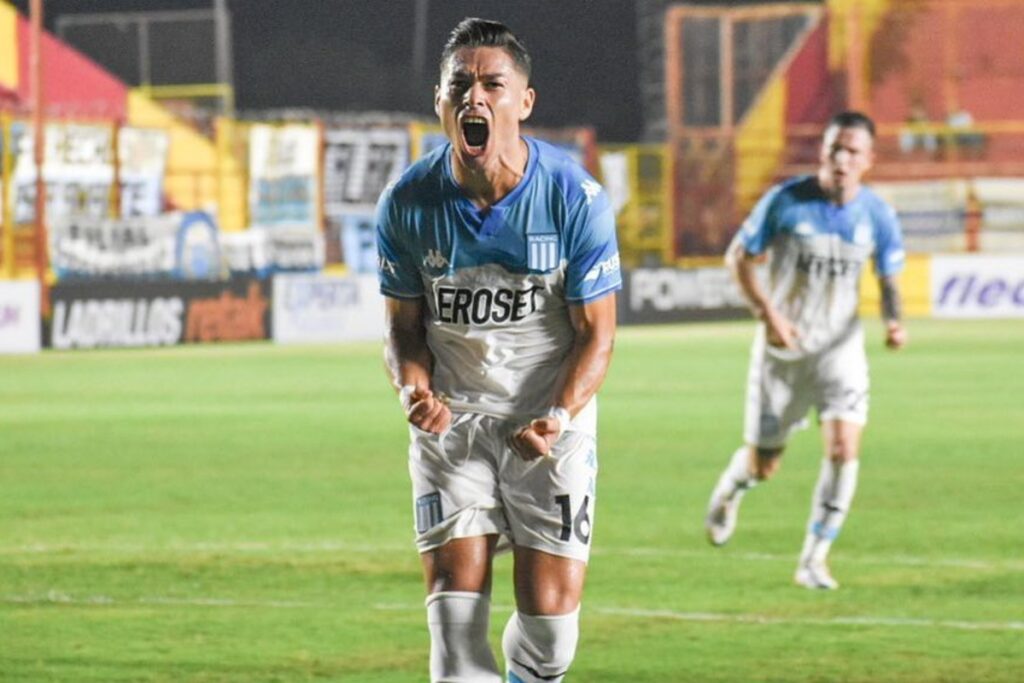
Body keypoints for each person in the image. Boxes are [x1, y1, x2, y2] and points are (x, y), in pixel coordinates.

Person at [376, 17, 621, 682]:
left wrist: (559, 415)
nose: (474, 98)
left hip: (550, 425)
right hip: (454, 428)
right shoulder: (407, 203)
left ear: (525, 101)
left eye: (492, 84)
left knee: (549, 641)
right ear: (440, 103)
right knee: (455, 650)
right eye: (460, 85)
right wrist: (412, 388)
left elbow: (598, 333)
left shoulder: (574, 198)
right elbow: (403, 328)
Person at [704, 111, 907, 590]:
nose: (841, 158)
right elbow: (738, 257)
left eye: (853, 151)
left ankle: (814, 558)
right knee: (764, 464)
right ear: (823, 151)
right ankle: (731, 490)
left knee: (843, 448)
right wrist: (769, 316)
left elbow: (889, 275)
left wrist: (894, 322)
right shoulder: (787, 201)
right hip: (784, 354)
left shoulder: (877, 213)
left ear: (868, 160)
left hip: (841, 354)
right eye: (835, 147)